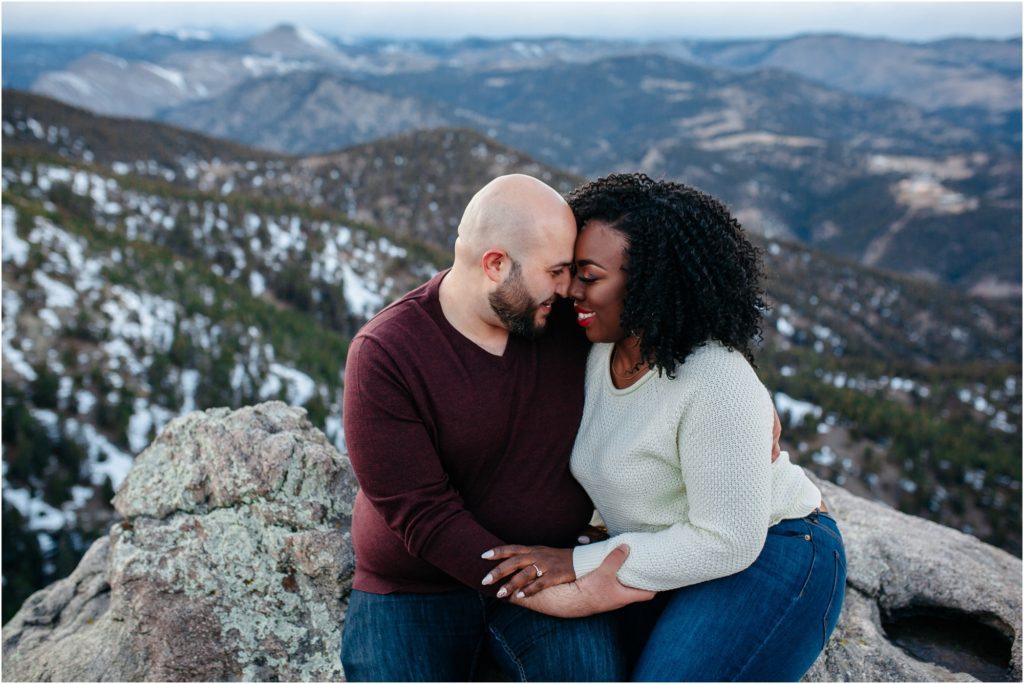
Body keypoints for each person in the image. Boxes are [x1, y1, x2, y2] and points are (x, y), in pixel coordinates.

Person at [482, 173, 847, 682]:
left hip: (771, 552)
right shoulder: (593, 347)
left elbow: (728, 540)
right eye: (569, 271)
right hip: (670, 556)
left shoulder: (714, 377)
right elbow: (481, 291)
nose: (570, 290)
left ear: (653, 282)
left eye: (589, 275)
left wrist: (579, 563)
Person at [339, 174, 650, 682]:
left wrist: (737, 386)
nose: (569, 287)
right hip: (416, 588)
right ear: (496, 264)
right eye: (555, 271)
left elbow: (668, 321)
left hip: (550, 560)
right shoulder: (387, 353)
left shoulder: (566, 320)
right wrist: (563, 598)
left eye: (571, 271)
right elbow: (424, 516)